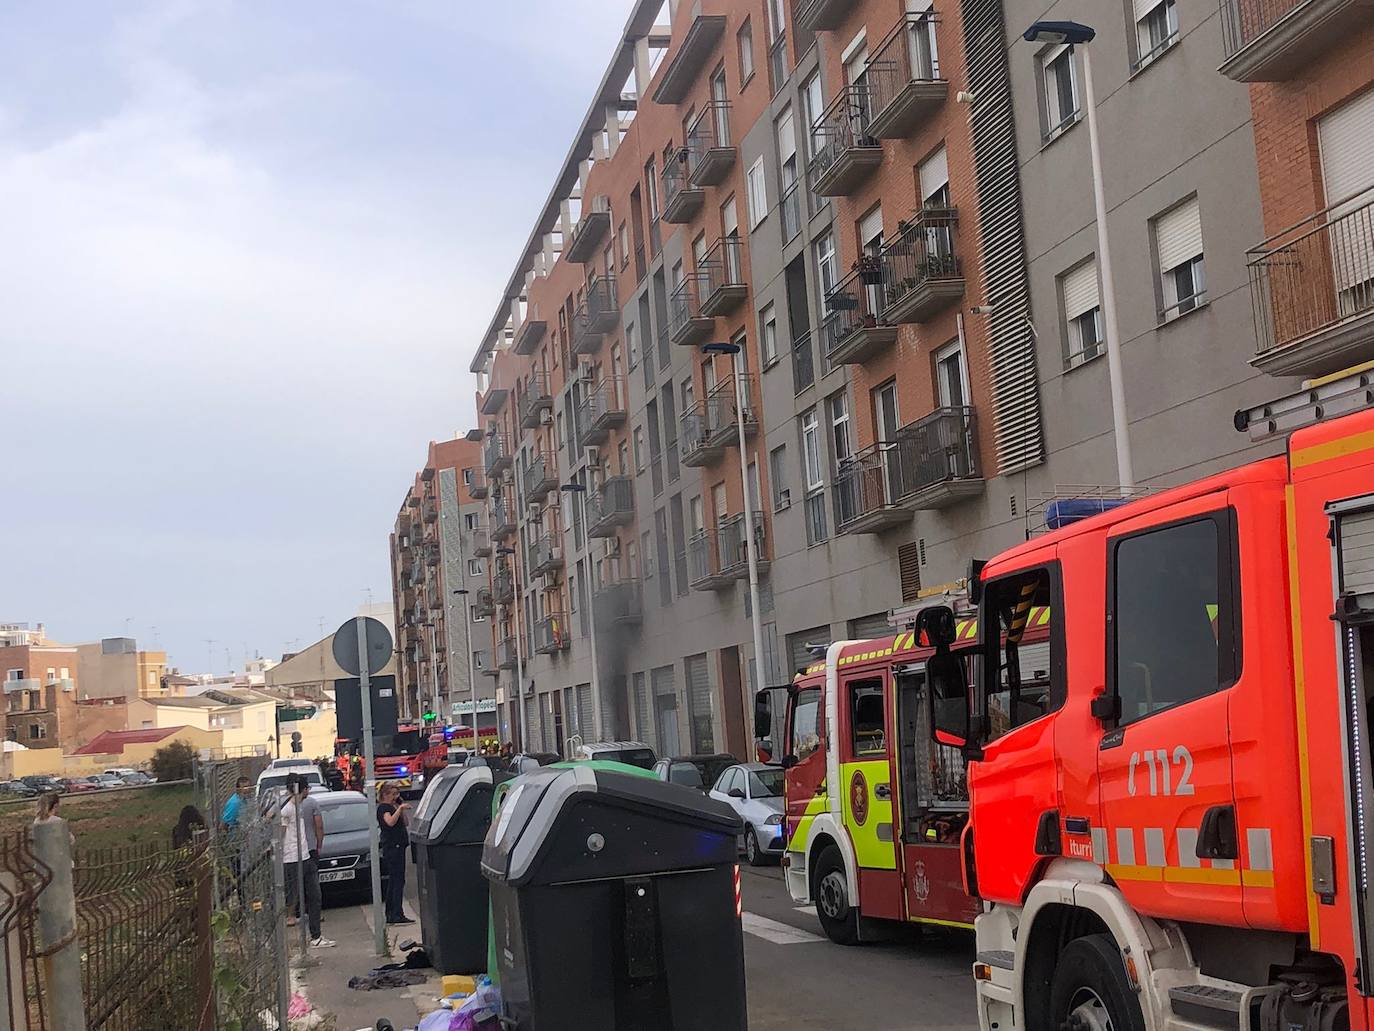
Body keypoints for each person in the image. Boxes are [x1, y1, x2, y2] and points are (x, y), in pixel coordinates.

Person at [281, 773, 334, 948]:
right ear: (302, 790)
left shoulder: (298, 807)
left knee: (314, 895)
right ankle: (308, 935)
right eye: (307, 789)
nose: (308, 793)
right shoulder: (287, 809)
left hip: (305, 855)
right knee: (294, 895)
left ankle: (316, 936)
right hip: (293, 858)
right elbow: (280, 832)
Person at [376, 782, 412, 925]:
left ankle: (394, 911)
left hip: (399, 846)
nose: (396, 797)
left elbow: (406, 823)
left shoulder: (394, 807)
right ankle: (396, 913)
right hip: (392, 847)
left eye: (397, 794)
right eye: (393, 794)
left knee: (397, 880)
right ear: (385, 794)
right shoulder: (384, 808)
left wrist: (400, 808)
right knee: (396, 880)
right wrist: (399, 809)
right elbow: (389, 822)